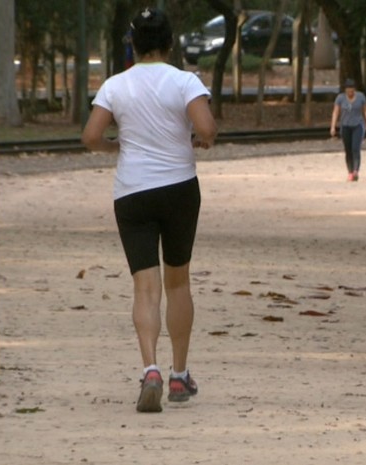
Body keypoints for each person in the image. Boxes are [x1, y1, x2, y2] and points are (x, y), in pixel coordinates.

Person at [81, 7, 217, 413]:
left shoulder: (115, 85)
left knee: (145, 286)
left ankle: (151, 370)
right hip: (178, 188)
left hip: (132, 192)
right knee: (178, 282)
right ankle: (179, 375)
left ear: (133, 45)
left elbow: (90, 136)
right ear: (170, 43)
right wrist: (200, 140)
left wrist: (113, 147)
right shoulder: (184, 81)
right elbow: (207, 129)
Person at [330, 78, 366, 181]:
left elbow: (365, 110)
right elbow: (336, 112)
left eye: (352, 91)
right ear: (345, 90)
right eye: (348, 91)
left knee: (355, 148)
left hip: (358, 125)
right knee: (348, 150)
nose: (350, 93)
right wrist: (333, 126)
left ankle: (356, 171)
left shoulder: (361, 97)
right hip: (345, 126)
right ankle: (350, 171)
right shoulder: (340, 98)